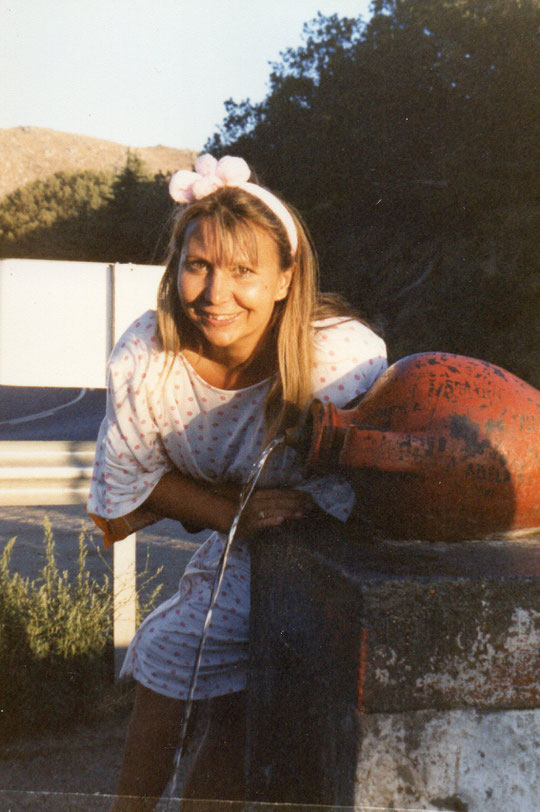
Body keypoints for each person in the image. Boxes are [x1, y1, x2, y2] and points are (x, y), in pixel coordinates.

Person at [87, 153, 387, 810]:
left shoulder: (335, 355)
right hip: (247, 535)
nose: (215, 294)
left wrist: (252, 519)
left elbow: (359, 484)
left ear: (285, 279)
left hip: (327, 539)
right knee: (183, 656)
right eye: (198, 265)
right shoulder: (149, 353)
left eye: (244, 271)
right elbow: (132, 473)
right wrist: (232, 514)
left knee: (222, 681)